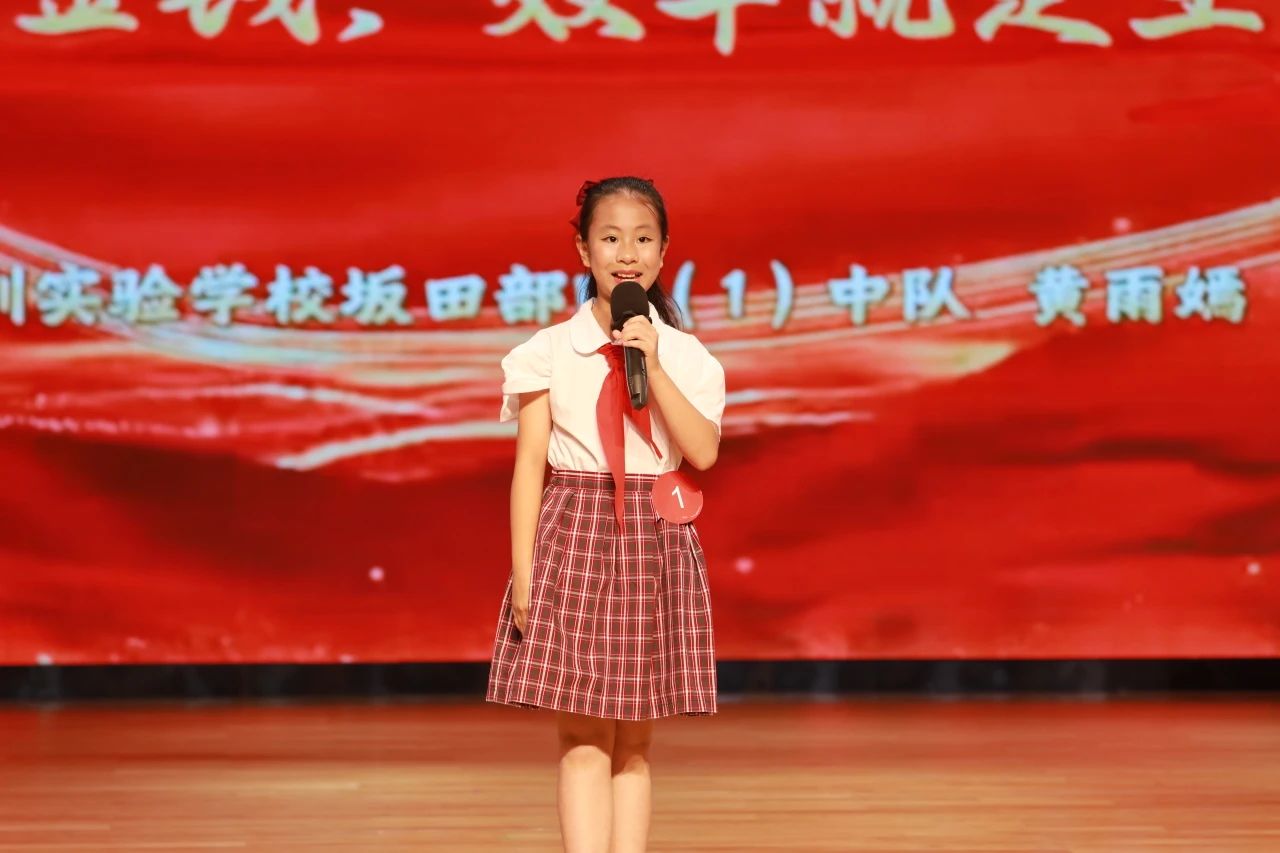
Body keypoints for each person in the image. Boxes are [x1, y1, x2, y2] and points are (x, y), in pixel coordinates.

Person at [486, 176, 726, 852]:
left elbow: (702, 451)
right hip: (575, 532)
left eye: (643, 239)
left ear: (664, 251)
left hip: (653, 535)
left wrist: (653, 360)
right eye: (611, 238)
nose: (627, 253)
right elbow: (530, 466)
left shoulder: (687, 356)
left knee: (636, 739)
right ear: (583, 250)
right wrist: (524, 571)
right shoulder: (547, 351)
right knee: (583, 734)